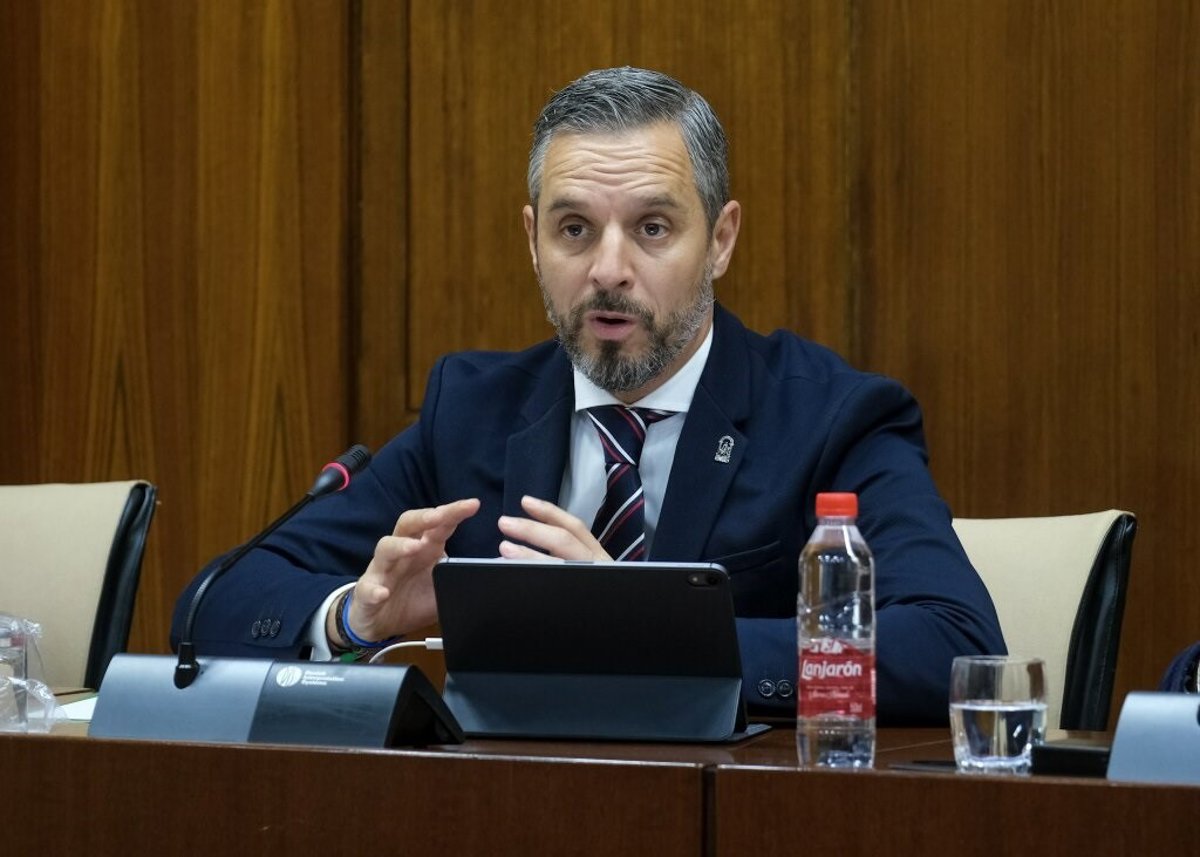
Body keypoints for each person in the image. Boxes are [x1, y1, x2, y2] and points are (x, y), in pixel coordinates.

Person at [172, 66, 1004, 724]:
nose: (608, 269)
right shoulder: (472, 409)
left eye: (652, 228)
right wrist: (357, 617)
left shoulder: (830, 418)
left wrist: (646, 628)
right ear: (532, 241)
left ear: (720, 240)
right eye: (574, 229)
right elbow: (215, 604)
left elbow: (953, 645)